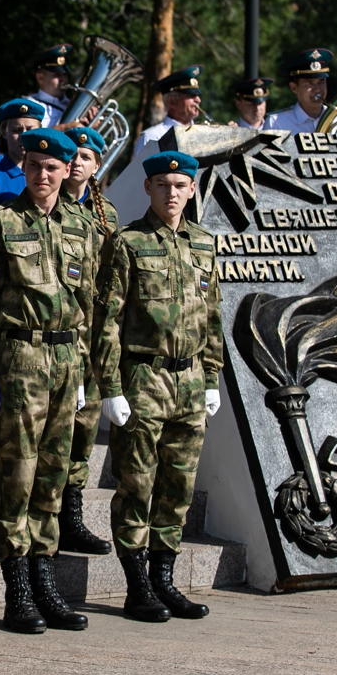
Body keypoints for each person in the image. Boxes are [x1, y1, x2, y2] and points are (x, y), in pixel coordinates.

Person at [0, 128, 100, 634]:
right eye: (35, 166)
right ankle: (17, 591)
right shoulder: (0, 222)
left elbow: (88, 303)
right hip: (20, 357)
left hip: (67, 358)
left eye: (53, 168)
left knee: (53, 476)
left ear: (69, 170)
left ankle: (46, 584)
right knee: (18, 478)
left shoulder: (83, 227)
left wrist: (86, 371)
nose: (43, 176)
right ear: (22, 167)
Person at [93, 150, 223, 624]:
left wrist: (211, 377)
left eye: (181, 185)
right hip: (143, 378)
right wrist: (110, 386)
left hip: (189, 381)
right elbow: (106, 320)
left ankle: (164, 579)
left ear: (192, 190)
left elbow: (212, 315)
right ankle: (137, 586)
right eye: (163, 185)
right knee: (136, 484)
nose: (172, 193)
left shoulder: (205, 243)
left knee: (178, 487)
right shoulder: (127, 243)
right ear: (148, 189)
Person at [56, 127, 117, 556]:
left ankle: (71, 514)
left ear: (96, 165)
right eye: (72, 154)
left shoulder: (106, 216)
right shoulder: (45, 207)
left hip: (93, 337)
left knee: (83, 429)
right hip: (59, 332)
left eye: (86, 156)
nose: (77, 162)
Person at [0, 99, 45, 205]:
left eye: (31, 130)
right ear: (4, 132)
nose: (23, 137)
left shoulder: (45, 177)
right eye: (16, 130)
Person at [132, 66, 204, 162]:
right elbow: (139, 175)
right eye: (190, 95)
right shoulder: (152, 138)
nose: (198, 100)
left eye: (198, 95)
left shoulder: (204, 133)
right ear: (172, 102)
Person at [264, 49, 333, 134]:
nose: (317, 89)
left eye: (321, 81)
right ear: (294, 88)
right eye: (310, 83)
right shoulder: (277, 124)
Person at [25, 44, 73, 127]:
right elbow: (31, 137)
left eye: (65, 75)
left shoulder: (71, 104)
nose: (63, 79)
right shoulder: (29, 106)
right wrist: (64, 128)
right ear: (40, 77)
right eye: (57, 75)